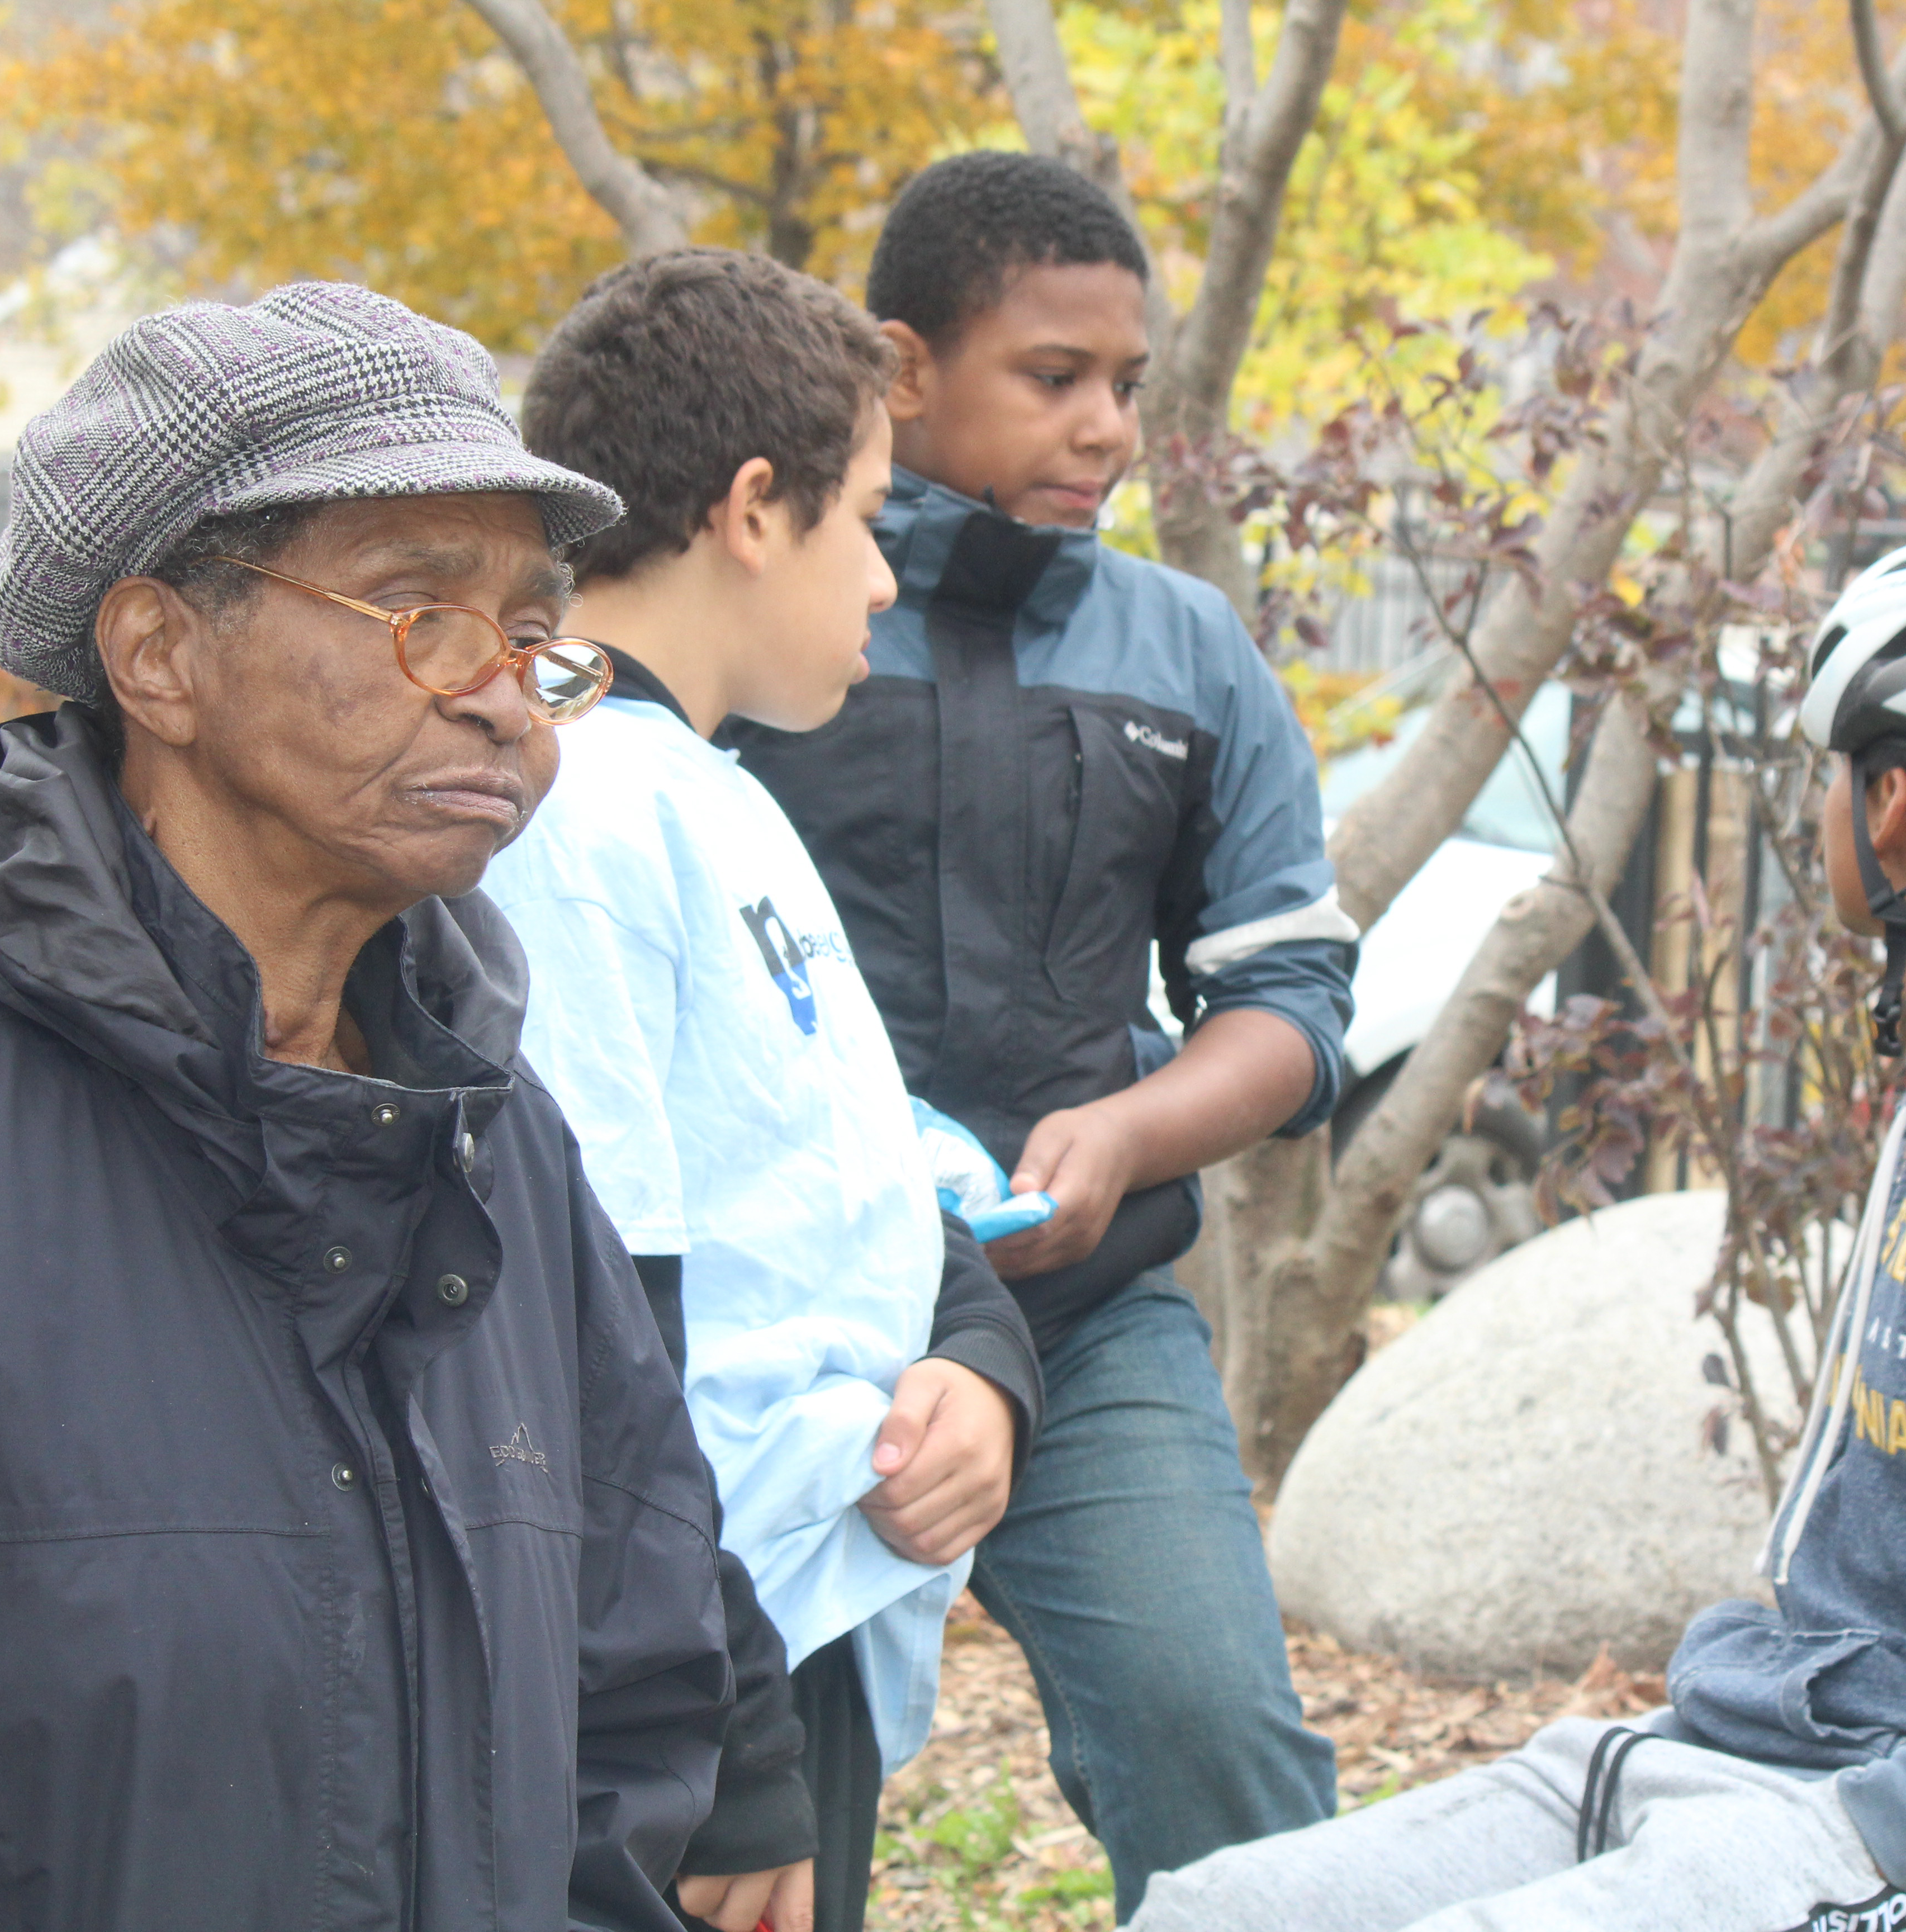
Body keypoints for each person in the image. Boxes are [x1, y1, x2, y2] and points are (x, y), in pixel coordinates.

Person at [0, 283, 736, 1929]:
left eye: (534, 634)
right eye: (420, 608)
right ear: (160, 655)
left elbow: (635, 1692)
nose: (501, 696)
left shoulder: (497, 1144)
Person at [1127, 520, 1906, 1932]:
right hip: (1773, 1760)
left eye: (1834, 771)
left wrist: (1869, 1836)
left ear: (1892, 808)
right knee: (1214, 1914)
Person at [719, 150, 1352, 1911]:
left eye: (1129, 385)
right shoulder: (769, 619)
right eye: (1055, 376)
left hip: (1083, 1320)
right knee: (753, 1831)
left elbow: (1292, 1005)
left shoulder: (1187, 649)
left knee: (1220, 1746)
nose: (1108, 430)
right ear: (904, 369)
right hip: (785, 1337)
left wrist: (1131, 1136)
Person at [486, 248, 1044, 1932]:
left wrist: (980, 1364)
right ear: (749, 511)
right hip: (685, 1671)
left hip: (790, 1600)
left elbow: (836, 1167)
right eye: (866, 519)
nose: (883, 578)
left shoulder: (705, 788)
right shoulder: (576, 817)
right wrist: (720, 1742)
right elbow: (590, 1309)